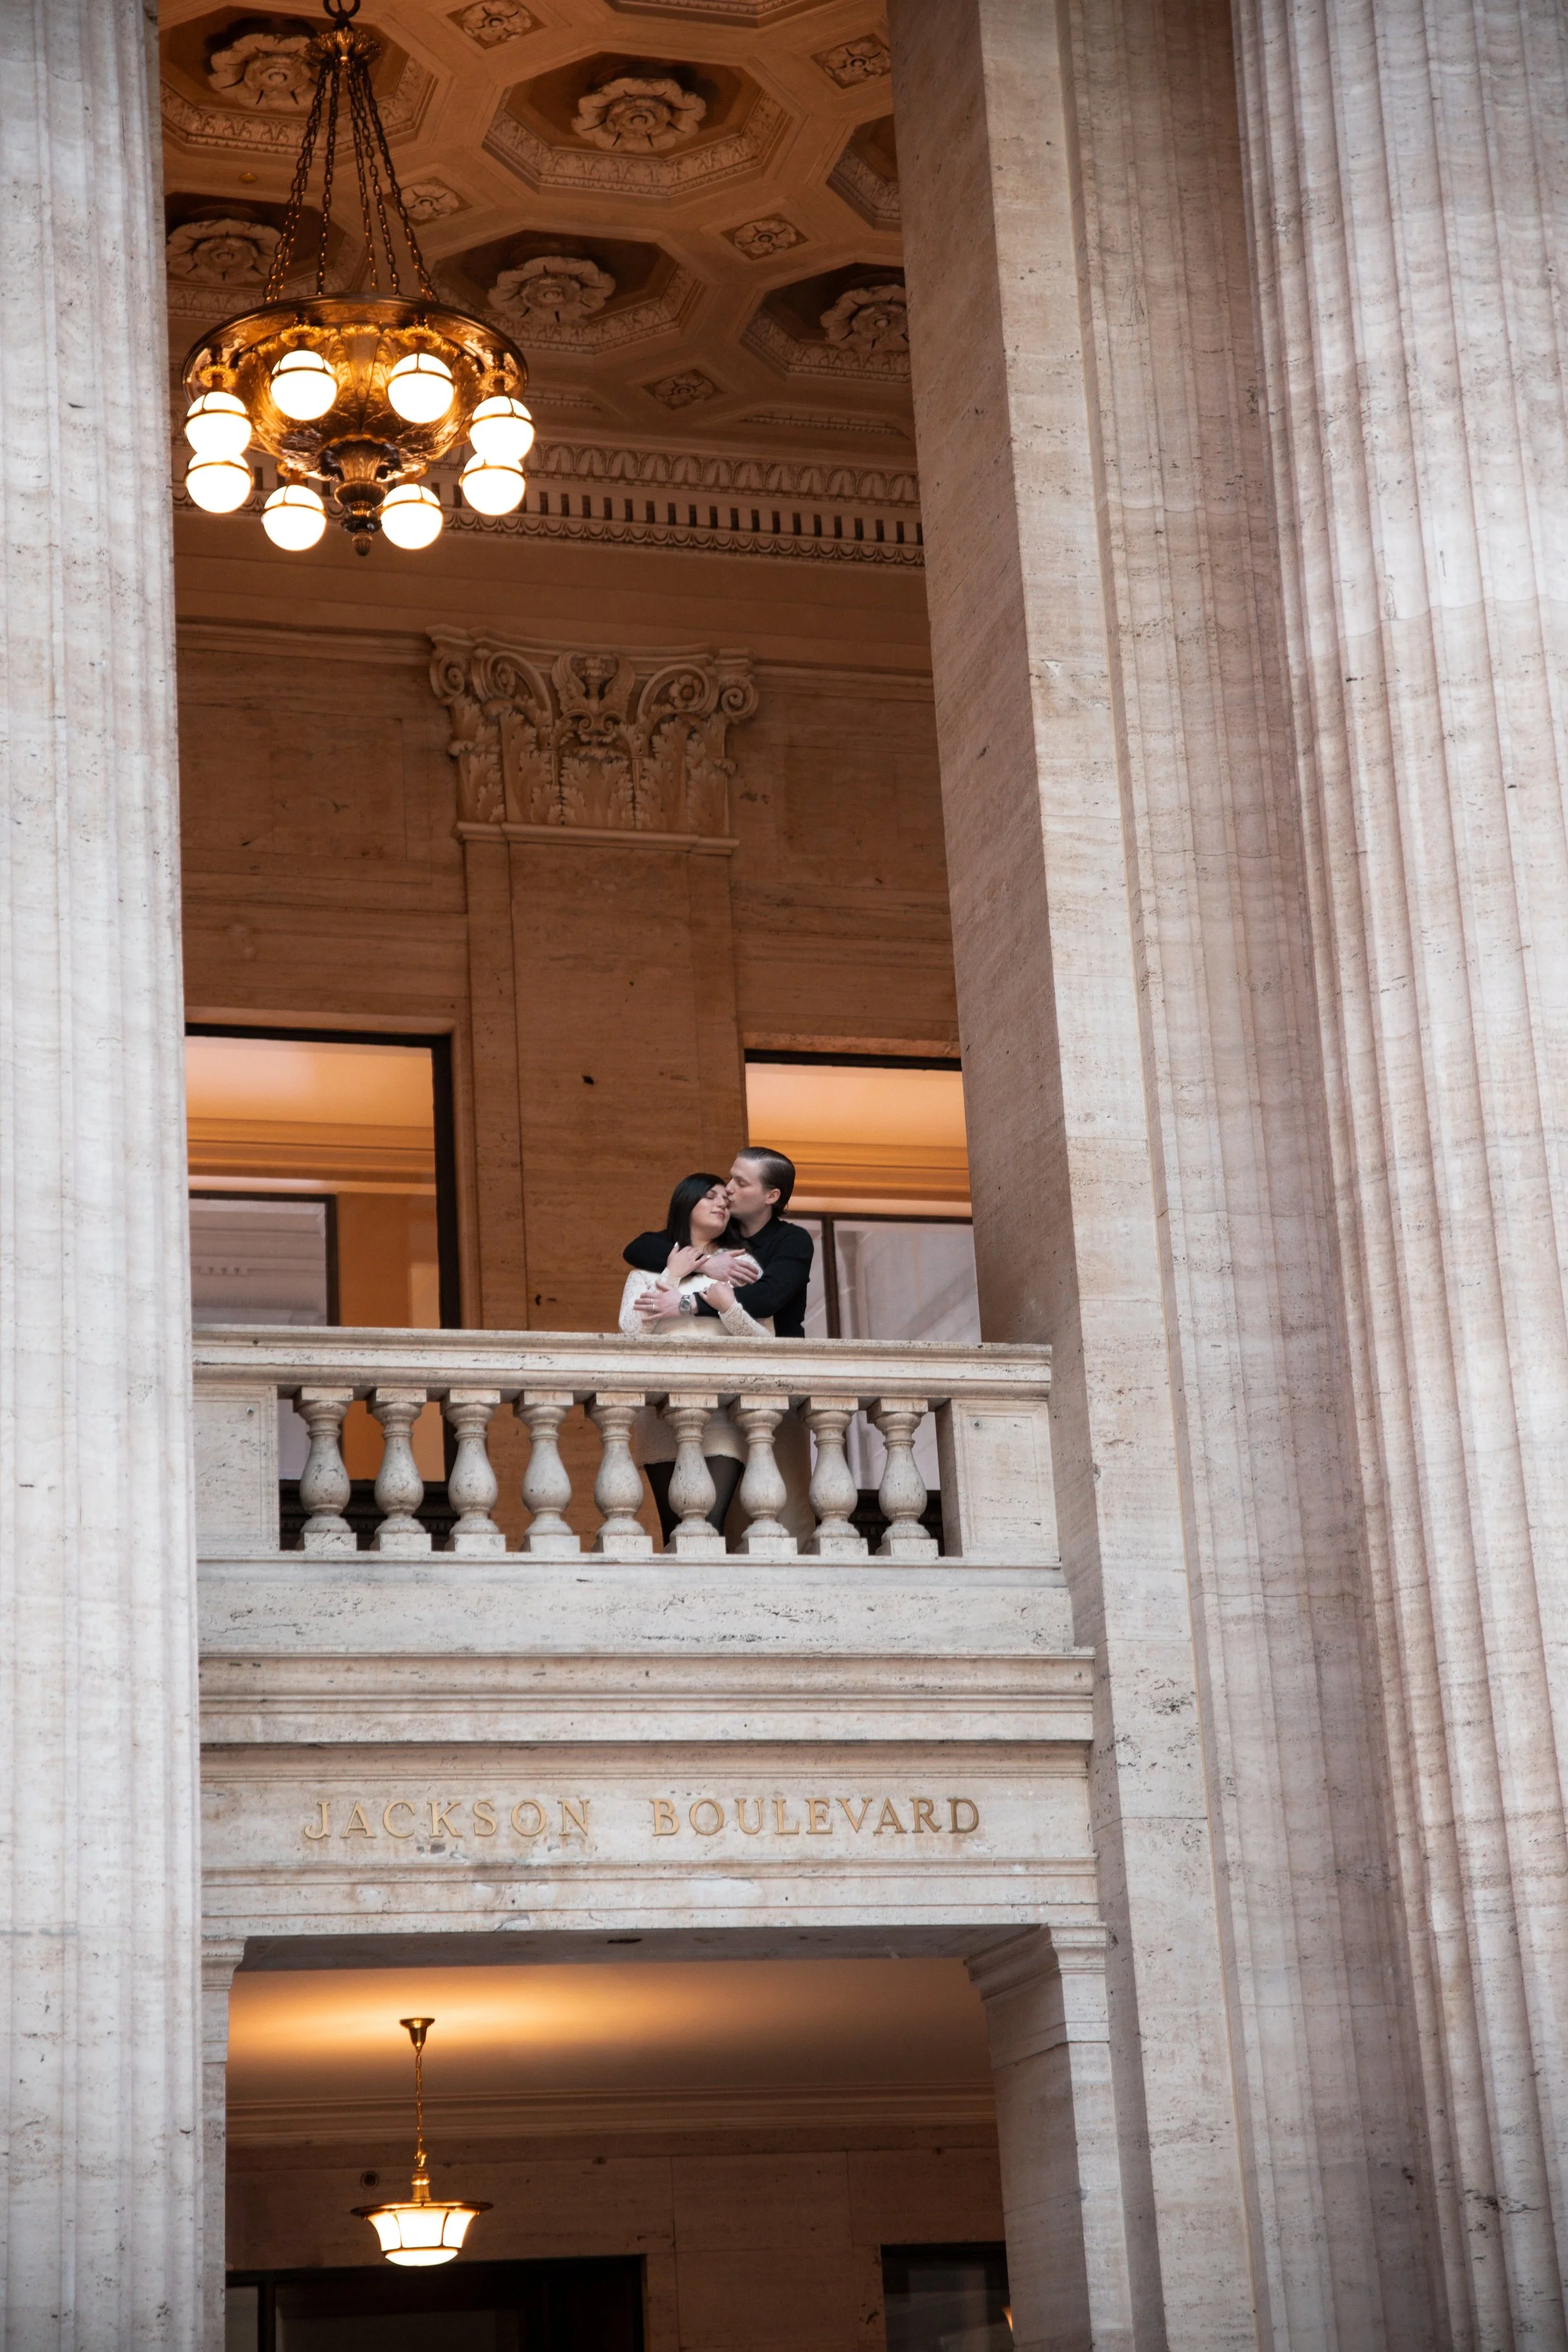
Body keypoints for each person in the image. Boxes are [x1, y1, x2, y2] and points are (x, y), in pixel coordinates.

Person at [618, 1172, 770, 1545]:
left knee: (708, 1526)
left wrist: (730, 1308)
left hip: (721, 1415)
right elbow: (632, 1333)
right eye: (710, 1196)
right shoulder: (646, 1275)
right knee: (676, 1532)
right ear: (686, 1204)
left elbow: (767, 1345)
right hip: (661, 1417)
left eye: (725, 1199)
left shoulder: (742, 1269)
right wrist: (673, 1274)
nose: (722, 1203)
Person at [623, 1148, 813, 1337]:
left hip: (780, 1357)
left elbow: (767, 1298)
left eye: (741, 1183)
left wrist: (688, 1303)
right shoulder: (718, 1228)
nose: (729, 1188)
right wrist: (706, 1264)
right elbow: (639, 1249)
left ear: (771, 1196)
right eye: (731, 1178)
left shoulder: (792, 1240)